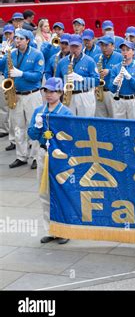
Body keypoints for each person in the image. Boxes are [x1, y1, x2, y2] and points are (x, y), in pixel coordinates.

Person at [28, 77, 73, 245]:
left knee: (60, 192)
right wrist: (37, 127)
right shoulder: (39, 111)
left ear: (60, 93)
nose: (48, 94)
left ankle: (64, 230)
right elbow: (31, 135)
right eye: (46, 91)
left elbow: (70, 137)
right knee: (44, 192)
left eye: (52, 91)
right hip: (43, 153)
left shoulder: (65, 113)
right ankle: (51, 230)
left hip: (59, 156)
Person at [5, 29, 44, 169]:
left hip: (32, 95)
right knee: (18, 127)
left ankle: (35, 156)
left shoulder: (37, 54)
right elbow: (6, 71)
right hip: (17, 95)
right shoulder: (12, 54)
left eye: (20, 38)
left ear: (27, 40)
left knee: (33, 126)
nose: (17, 41)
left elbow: (38, 76)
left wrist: (21, 73)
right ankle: (21, 156)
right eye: (16, 38)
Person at [55, 34, 99, 117]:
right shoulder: (62, 62)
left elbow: (97, 81)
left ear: (81, 46)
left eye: (77, 47)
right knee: (69, 123)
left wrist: (82, 79)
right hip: (68, 97)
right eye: (72, 46)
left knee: (85, 124)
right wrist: (61, 89)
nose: (74, 49)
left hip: (84, 95)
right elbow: (57, 80)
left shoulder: (90, 61)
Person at [110, 41, 135, 119]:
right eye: (123, 50)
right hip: (120, 101)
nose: (125, 52)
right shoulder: (116, 68)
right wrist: (115, 83)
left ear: (133, 52)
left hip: (134, 101)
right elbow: (112, 89)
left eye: (128, 50)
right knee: (119, 126)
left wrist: (130, 78)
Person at [94, 36, 123, 118]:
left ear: (113, 46)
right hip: (99, 92)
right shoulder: (97, 57)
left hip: (113, 92)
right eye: (102, 45)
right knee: (100, 118)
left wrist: (109, 71)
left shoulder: (119, 57)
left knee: (115, 117)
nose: (104, 48)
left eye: (106, 45)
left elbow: (123, 73)